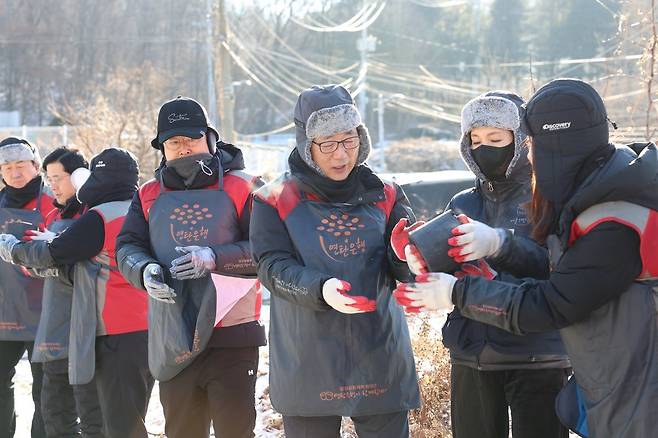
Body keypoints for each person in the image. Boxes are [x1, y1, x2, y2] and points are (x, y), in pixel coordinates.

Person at [394, 78, 658, 437]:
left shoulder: (592, 211)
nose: (529, 155)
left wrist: (468, 282)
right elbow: (562, 271)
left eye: (504, 140)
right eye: (476, 140)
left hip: (588, 372)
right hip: (487, 354)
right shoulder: (467, 202)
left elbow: (554, 293)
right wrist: (423, 255)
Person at [250, 84, 420, 438]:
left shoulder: (386, 193)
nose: (340, 154)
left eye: (349, 140)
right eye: (327, 144)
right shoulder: (274, 199)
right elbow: (271, 266)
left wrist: (408, 255)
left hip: (378, 350)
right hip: (306, 353)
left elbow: (403, 267)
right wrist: (321, 288)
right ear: (306, 145)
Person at [399, 91, 569, 438]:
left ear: (521, 140)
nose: (484, 148)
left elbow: (555, 266)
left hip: (536, 355)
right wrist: (416, 259)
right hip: (471, 351)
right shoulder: (463, 201)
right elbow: (443, 271)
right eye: (474, 140)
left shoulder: (549, 197)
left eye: (496, 138)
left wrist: (498, 242)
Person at [116, 96, 266, 438]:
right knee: (182, 431)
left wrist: (214, 257)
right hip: (174, 334)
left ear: (211, 139)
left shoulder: (244, 185)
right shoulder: (148, 194)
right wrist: (143, 270)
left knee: (235, 431)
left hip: (233, 331)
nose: (184, 148)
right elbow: (127, 247)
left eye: (192, 139)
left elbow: (268, 250)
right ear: (162, 149)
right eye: (174, 142)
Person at [0, 147, 152, 438]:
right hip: (133, 329)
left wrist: (15, 250)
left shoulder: (99, 217)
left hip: (105, 331)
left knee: (106, 420)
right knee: (118, 417)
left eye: (59, 177)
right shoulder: (141, 209)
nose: (53, 184)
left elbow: (58, 253)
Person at [19, 147, 105, 437]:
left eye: (58, 177)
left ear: (80, 177)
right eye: (48, 177)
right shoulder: (54, 213)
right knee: (53, 413)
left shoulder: (94, 214)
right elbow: (37, 260)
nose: (52, 184)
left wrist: (54, 248)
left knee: (90, 415)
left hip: (90, 332)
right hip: (55, 329)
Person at [0, 136, 50, 438]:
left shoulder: (53, 203)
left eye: (21, 165)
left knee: (46, 390)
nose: (14, 173)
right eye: (7, 167)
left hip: (45, 313)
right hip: (3, 310)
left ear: (36, 165)